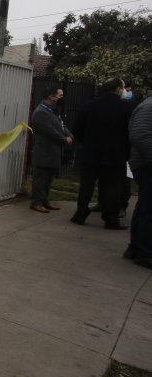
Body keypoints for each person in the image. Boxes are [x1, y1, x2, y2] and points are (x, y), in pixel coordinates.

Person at [70, 77, 133, 229]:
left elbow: (77, 131)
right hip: (115, 155)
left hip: (90, 153)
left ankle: (80, 215)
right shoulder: (126, 108)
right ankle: (111, 219)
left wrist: (89, 143)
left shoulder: (89, 106)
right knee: (112, 188)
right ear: (118, 89)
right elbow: (131, 133)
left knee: (86, 186)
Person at [29, 87, 73, 213]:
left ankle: (44, 200)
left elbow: (61, 126)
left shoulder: (53, 111)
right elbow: (50, 131)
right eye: (60, 95)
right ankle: (37, 202)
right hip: (45, 151)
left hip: (53, 151)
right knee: (41, 179)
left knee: (48, 179)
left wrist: (69, 134)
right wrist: (64, 140)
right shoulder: (41, 112)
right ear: (51, 96)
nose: (61, 98)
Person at [125, 93, 152, 268]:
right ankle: (144, 251)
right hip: (147, 165)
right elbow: (140, 135)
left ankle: (136, 247)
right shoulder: (149, 107)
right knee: (148, 210)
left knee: (145, 207)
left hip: (145, 163)